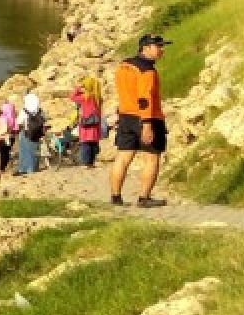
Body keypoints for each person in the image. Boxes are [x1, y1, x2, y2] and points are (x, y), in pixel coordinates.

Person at [110, 34, 170, 207]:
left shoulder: (124, 65)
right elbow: (145, 99)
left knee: (123, 157)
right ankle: (144, 198)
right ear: (145, 48)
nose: (161, 50)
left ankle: (115, 196)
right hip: (146, 117)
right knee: (152, 158)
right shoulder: (148, 71)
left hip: (126, 116)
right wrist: (147, 125)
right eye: (158, 46)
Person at [71, 76, 104, 168]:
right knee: (93, 145)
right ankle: (91, 163)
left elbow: (72, 97)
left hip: (86, 125)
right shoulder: (98, 98)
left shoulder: (85, 97)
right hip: (96, 125)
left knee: (85, 144)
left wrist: (78, 88)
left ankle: (86, 163)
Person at [16, 92, 44, 175]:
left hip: (27, 132)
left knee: (24, 151)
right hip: (37, 133)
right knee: (34, 150)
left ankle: (24, 169)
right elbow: (44, 119)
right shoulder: (39, 110)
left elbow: (19, 121)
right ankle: (34, 167)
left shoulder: (25, 110)